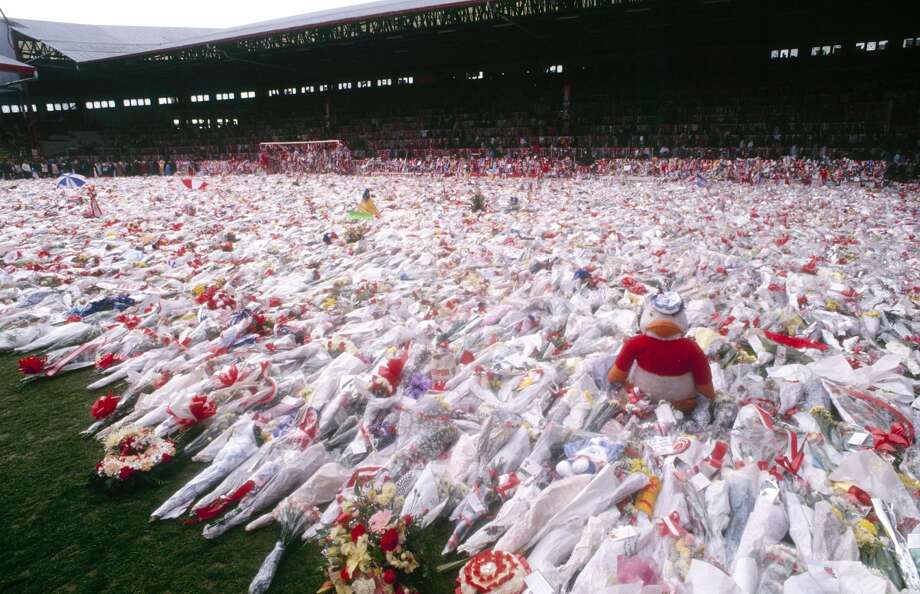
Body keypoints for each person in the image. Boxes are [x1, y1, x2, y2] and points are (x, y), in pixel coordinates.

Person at [607, 292, 714, 414]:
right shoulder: (691, 348)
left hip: (644, 395)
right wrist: (712, 397)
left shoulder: (635, 343)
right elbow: (704, 384)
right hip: (680, 401)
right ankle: (676, 406)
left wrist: (625, 385)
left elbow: (615, 376)